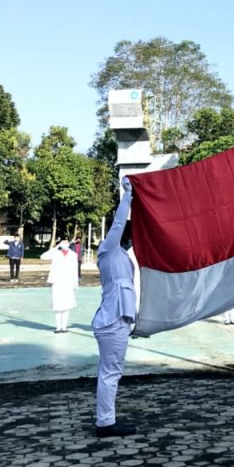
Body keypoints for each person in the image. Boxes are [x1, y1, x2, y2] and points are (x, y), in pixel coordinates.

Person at [92, 176, 138, 438]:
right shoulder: (109, 249)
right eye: (129, 235)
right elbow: (119, 222)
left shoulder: (122, 257)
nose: (130, 239)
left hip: (118, 320)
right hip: (111, 321)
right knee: (111, 373)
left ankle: (106, 420)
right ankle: (105, 423)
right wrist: (128, 196)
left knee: (111, 372)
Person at [42, 238, 80, 333]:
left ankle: (64, 327)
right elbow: (43, 256)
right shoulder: (56, 253)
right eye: (63, 242)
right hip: (57, 282)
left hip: (68, 282)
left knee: (66, 305)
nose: (65, 243)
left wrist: (75, 284)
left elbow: (75, 270)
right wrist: (56, 247)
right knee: (57, 305)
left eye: (67, 242)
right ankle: (58, 327)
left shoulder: (73, 255)